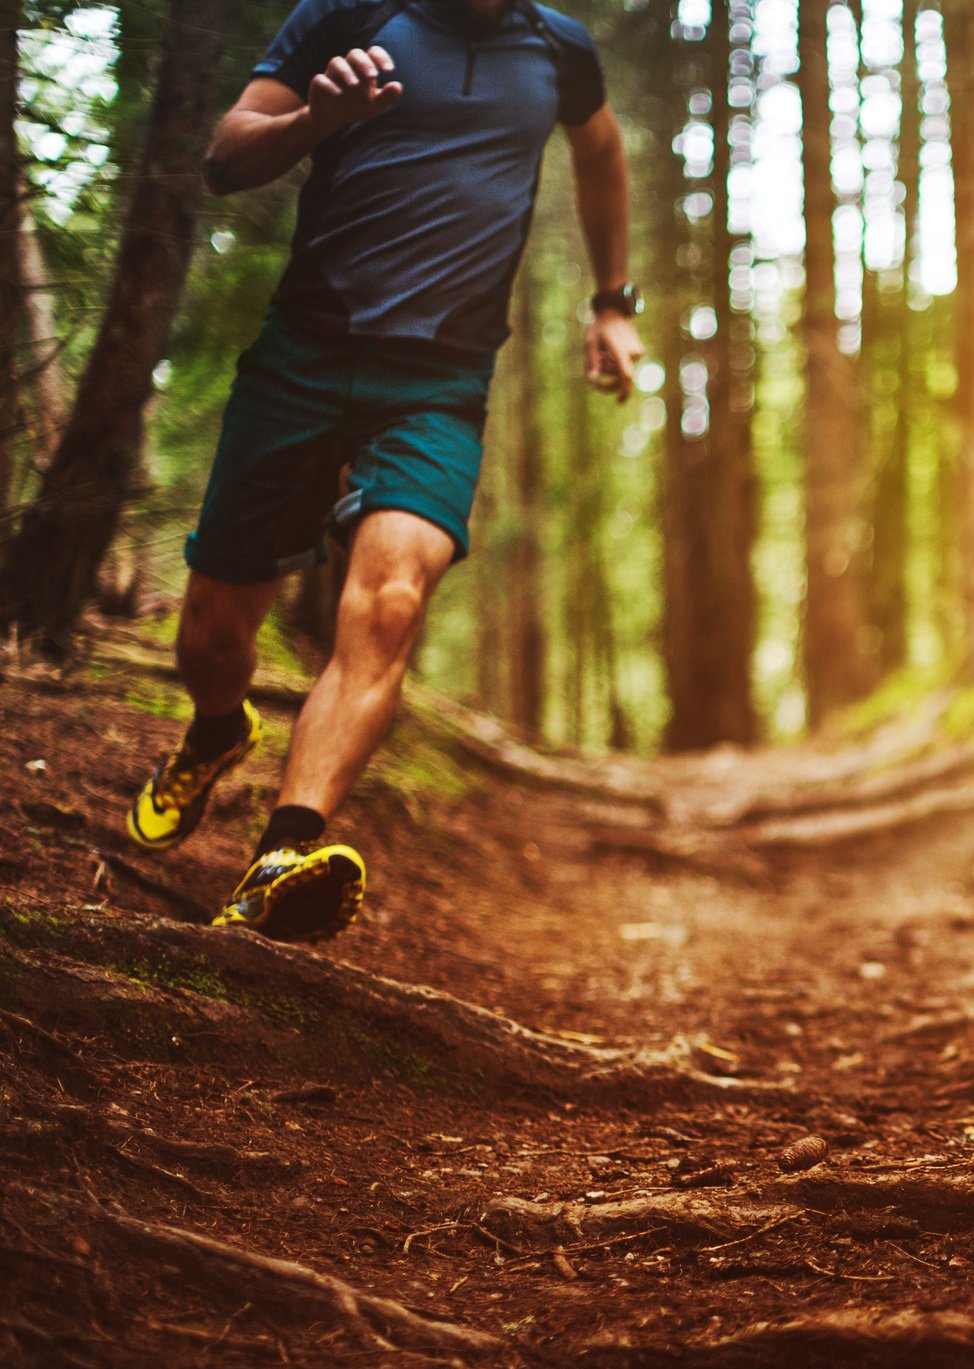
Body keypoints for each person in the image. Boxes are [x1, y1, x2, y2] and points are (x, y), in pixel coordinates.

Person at [125, 0, 643, 943]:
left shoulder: (558, 47)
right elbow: (225, 157)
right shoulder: (351, 13)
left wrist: (612, 302)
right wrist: (315, 122)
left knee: (392, 601)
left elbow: (600, 150)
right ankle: (215, 730)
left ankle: (282, 856)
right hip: (303, 358)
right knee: (210, 638)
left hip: (441, 381)